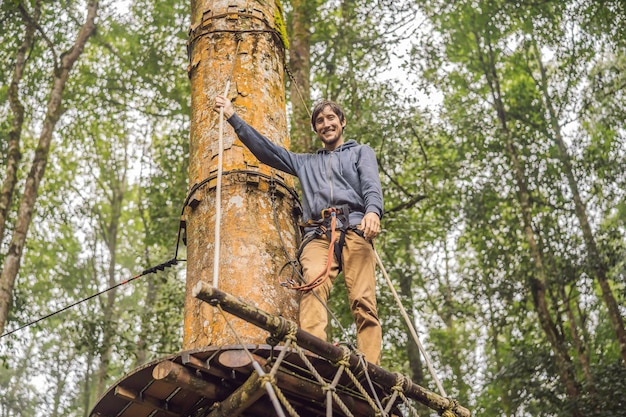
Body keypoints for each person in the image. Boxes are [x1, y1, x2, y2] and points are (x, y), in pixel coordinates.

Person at [213, 96, 383, 364]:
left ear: (342, 122)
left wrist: (373, 211)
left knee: (363, 300)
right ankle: (313, 358)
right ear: (316, 130)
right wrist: (233, 117)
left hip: (354, 227)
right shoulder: (305, 163)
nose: (326, 124)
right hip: (319, 234)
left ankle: (371, 368)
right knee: (312, 286)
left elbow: (371, 184)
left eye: (330, 118)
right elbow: (267, 151)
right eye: (320, 121)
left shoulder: (360, 152)